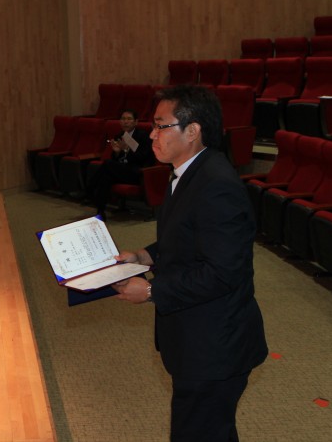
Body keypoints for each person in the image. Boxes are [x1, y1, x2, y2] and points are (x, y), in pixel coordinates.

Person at [112, 84, 267, 442]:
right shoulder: (188, 172)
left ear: (193, 131)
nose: (152, 134)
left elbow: (222, 272)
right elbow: (188, 238)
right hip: (198, 338)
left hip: (215, 346)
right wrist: (144, 256)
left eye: (160, 125)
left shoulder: (216, 185)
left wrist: (151, 291)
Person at [86, 109, 154, 219]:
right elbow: (116, 160)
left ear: (136, 122)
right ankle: (100, 211)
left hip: (137, 172)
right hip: (122, 170)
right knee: (106, 177)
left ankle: (90, 188)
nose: (125, 122)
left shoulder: (143, 136)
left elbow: (143, 158)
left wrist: (127, 150)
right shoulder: (120, 135)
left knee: (107, 164)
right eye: (123, 119)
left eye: (129, 119)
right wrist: (117, 153)